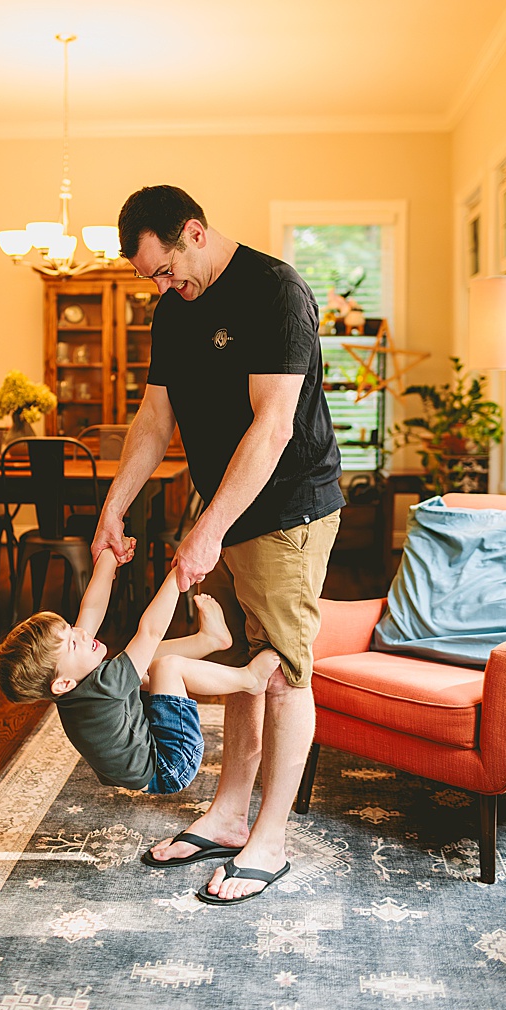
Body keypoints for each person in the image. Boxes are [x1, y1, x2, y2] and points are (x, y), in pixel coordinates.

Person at [93, 185, 344, 905]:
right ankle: (230, 814)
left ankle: (271, 839)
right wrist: (117, 505)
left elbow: (271, 428)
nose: (166, 288)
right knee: (238, 658)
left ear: (194, 233)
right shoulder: (172, 309)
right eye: (153, 280)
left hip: (287, 506)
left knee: (286, 672)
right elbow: (153, 417)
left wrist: (207, 528)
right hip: (224, 503)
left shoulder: (274, 291)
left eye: (168, 270)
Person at [0, 543, 280, 801]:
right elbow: (151, 631)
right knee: (167, 667)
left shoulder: (73, 680)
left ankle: (210, 641)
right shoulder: (101, 689)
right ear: (63, 683)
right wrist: (179, 574)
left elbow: (91, 608)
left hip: (150, 750)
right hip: (170, 764)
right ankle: (250, 680)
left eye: (70, 628)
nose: (80, 633)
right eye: (71, 642)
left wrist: (108, 558)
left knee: (139, 666)